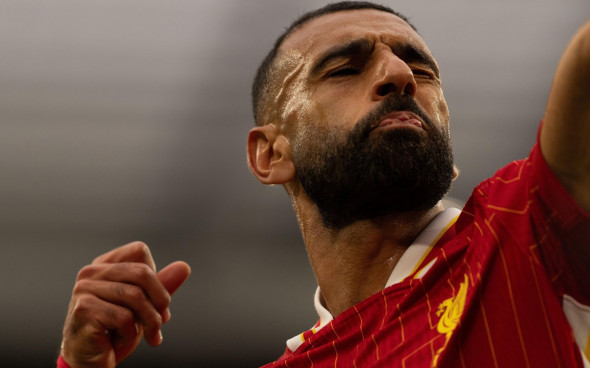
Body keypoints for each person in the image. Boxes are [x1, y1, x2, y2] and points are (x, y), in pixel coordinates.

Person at [57, 1, 590, 367]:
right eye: (343, 69)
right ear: (270, 154)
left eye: (421, 70)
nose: (398, 74)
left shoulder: (526, 232)